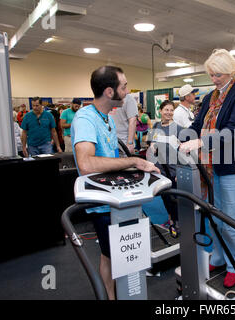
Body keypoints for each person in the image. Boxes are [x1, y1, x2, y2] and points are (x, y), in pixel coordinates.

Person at [71, 65, 160, 300]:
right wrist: (132, 161)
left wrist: (133, 165)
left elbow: (109, 160)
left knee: (108, 255)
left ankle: (112, 296)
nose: (128, 91)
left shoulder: (106, 118)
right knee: (112, 255)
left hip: (117, 199)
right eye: (124, 86)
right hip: (102, 202)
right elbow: (87, 164)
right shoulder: (85, 119)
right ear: (110, 92)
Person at [179, 49, 235, 288]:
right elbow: (197, 124)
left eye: (218, 74)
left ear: (230, 72)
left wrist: (200, 142)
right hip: (213, 164)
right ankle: (220, 257)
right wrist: (177, 136)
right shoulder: (211, 96)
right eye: (211, 75)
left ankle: (234, 264)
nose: (214, 79)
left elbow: (234, 128)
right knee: (215, 215)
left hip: (234, 164)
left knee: (230, 219)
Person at [147, 100, 185, 236]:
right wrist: (152, 146)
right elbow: (151, 143)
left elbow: (185, 151)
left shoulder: (179, 129)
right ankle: (171, 219)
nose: (169, 112)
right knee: (165, 197)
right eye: (166, 110)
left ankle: (177, 222)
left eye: (171, 110)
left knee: (174, 198)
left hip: (173, 169)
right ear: (161, 111)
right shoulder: (156, 126)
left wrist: (180, 170)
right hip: (160, 170)